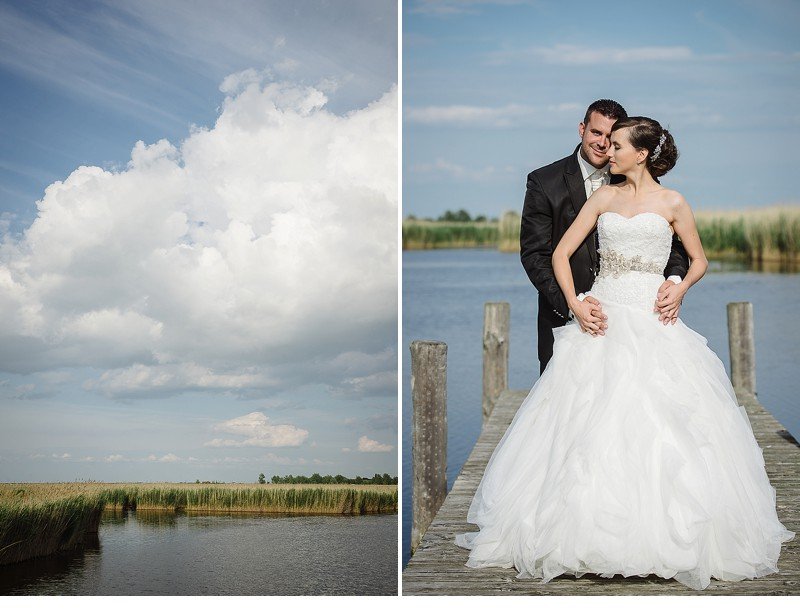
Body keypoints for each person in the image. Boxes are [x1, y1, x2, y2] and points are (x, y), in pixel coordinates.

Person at [455, 117, 794, 590]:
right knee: (589, 424)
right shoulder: (603, 198)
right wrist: (576, 303)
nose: (607, 151)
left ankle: (662, 536)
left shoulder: (673, 202)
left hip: (655, 320)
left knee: (662, 425)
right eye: (605, 142)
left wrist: (679, 288)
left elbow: (698, 260)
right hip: (605, 315)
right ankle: (582, 533)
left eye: (616, 145)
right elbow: (556, 254)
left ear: (642, 153)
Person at [520, 99, 689, 374]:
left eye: (611, 137)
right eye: (596, 133)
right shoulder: (544, 182)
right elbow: (535, 255)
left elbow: (669, 243)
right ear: (582, 129)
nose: (603, 143)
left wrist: (674, 283)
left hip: (642, 322)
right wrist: (574, 305)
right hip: (566, 319)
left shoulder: (634, 177)